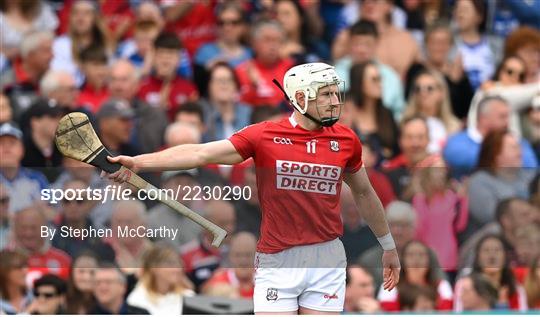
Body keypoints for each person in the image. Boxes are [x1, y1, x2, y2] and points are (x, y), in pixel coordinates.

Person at [104, 62, 400, 314]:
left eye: (336, 93)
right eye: (325, 95)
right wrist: (139, 162)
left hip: (327, 256)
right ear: (300, 97)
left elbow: (364, 193)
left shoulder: (346, 140)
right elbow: (200, 154)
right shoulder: (265, 135)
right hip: (277, 258)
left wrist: (388, 246)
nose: (335, 101)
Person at [443, 96, 538, 178]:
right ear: (483, 118)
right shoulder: (457, 142)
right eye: (502, 117)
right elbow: (458, 159)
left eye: (508, 117)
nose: (507, 122)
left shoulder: (518, 142)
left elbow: (532, 168)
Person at [334, 20, 404, 119]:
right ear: (349, 44)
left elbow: (398, 112)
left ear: (376, 44)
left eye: (367, 44)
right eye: (357, 44)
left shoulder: (390, 76)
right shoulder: (334, 74)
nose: (362, 50)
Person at [468, 130, 536, 232]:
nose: (520, 151)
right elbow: (489, 216)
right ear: (496, 154)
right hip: (495, 239)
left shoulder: (529, 175)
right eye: (513, 148)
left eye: (518, 146)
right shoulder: (480, 182)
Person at [411, 155, 468, 274]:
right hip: (426, 258)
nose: (441, 174)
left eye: (443, 170)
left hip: (449, 256)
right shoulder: (419, 199)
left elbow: (459, 226)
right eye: (437, 170)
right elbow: (419, 230)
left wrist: (463, 200)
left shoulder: (451, 197)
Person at [108, 59, 167, 154]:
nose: (118, 86)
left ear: (136, 84)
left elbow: (150, 148)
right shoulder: (101, 112)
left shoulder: (152, 114)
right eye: (113, 80)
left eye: (124, 80)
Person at [455, 234, 528, 311]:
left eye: (497, 250)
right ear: (477, 256)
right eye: (486, 250)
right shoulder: (466, 286)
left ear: (505, 256)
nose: (492, 256)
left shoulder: (517, 289)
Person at [137, 31, 199, 121]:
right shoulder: (141, 87)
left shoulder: (189, 89)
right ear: (153, 57)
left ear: (179, 59)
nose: (165, 61)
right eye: (161, 55)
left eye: (170, 55)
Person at [377, 240, 453, 311]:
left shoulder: (442, 286)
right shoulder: (390, 286)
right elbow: (387, 313)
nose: (416, 259)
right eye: (411, 255)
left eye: (421, 255)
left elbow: (447, 312)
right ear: (402, 260)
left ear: (429, 261)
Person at [50, 0, 109, 87]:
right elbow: (58, 75)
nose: (80, 18)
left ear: (96, 18)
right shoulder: (59, 45)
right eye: (75, 13)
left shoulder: (106, 45)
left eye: (87, 13)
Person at [235, 20, 294, 108]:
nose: (272, 45)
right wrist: (254, 86)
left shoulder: (290, 68)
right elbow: (240, 107)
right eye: (267, 40)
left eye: (277, 40)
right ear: (255, 43)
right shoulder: (243, 70)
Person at [349, 62, 400, 161]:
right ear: (360, 83)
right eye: (374, 80)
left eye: (380, 79)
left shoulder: (387, 114)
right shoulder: (348, 115)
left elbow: (396, 151)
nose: (380, 84)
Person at [402, 70, 461, 154]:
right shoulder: (405, 123)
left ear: (441, 93)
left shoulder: (454, 127)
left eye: (429, 88)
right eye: (418, 89)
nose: (423, 93)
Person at [127, 245, 195, 315]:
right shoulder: (136, 302)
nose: (177, 269)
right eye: (170, 264)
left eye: (178, 263)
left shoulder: (188, 296)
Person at [1, 31, 54, 119]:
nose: (52, 55)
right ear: (30, 54)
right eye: (46, 51)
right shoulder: (7, 83)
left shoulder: (53, 79)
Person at [10, 206, 72, 280]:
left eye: (33, 228)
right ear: (15, 230)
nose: (28, 233)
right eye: (23, 228)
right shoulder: (4, 260)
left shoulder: (63, 260)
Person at [0, 122, 49, 213]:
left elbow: (50, 214)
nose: (6, 148)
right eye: (1, 143)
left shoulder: (38, 180)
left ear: (22, 149)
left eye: (12, 143)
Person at [452, 0, 499, 90]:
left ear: (479, 16)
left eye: (465, 10)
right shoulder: (449, 44)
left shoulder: (496, 45)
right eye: (458, 9)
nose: (460, 14)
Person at [200, 61, 252, 142]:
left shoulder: (248, 113)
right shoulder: (201, 113)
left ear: (235, 85)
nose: (224, 85)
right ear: (209, 86)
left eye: (228, 80)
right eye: (219, 80)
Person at [383, 116, 430, 200]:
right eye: (409, 137)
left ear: (428, 140)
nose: (415, 143)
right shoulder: (389, 170)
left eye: (420, 137)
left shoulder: (439, 169)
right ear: (400, 141)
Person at [19, 98, 64, 181]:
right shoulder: (21, 148)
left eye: (60, 117)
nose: (60, 122)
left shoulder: (63, 148)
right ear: (35, 122)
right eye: (52, 118)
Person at [202, 232, 257, 299]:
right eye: (238, 255)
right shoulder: (219, 278)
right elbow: (205, 295)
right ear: (231, 256)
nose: (243, 260)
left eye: (248, 255)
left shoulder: (265, 278)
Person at [75, 45, 110, 113]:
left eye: (104, 64)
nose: (101, 71)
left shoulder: (114, 94)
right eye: (95, 65)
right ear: (82, 68)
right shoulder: (76, 96)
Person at [0, 250, 31, 314]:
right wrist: (28, 312)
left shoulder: (38, 296)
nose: (25, 271)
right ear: (4, 271)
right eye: (19, 267)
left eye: (26, 266)